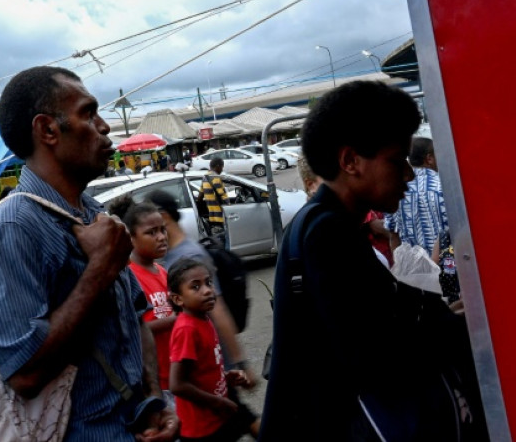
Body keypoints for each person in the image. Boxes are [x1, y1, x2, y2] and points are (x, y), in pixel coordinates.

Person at [259, 80, 483, 441]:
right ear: (350, 161)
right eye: (397, 161)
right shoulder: (327, 233)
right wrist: (451, 328)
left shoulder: (331, 223)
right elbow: (375, 356)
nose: (409, 176)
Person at [0, 66, 178, 441]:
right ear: (48, 130)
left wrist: (154, 398)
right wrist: (100, 268)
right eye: (88, 113)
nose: (104, 127)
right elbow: (24, 374)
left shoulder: (91, 211)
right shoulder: (15, 225)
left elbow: (137, 320)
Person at [146, 191, 257, 389]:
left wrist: (241, 363)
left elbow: (219, 309)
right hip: (202, 364)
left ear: (163, 216)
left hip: (212, 366)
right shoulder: (171, 256)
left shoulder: (189, 256)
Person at [167, 257, 259, 441]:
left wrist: (225, 377)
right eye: (196, 287)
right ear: (178, 299)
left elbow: (200, 371)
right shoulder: (187, 329)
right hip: (201, 429)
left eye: (208, 283)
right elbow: (177, 384)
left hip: (217, 417)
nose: (208, 290)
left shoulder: (204, 318)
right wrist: (218, 402)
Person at [107, 195, 176, 409]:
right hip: (156, 384)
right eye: (151, 233)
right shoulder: (130, 278)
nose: (161, 237)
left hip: (176, 379)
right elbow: (135, 329)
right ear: (131, 238)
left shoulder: (163, 272)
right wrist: (178, 318)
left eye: (162, 230)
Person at [384, 137, 448, 256]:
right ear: (429, 158)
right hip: (446, 268)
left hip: (413, 269)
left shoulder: (395, 190)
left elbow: (393, 236)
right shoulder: (445, 186)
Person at [200, 158, 229, 242]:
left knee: (217, 238)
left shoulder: (205, 176)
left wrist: (200, 203)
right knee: (225, 238)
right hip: (220, 215)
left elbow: (200, 194)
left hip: (212, 215)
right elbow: (222, 194)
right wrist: (229, 206)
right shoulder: (215, 177)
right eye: (222, 167)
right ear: (218, 166)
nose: (222, 170)